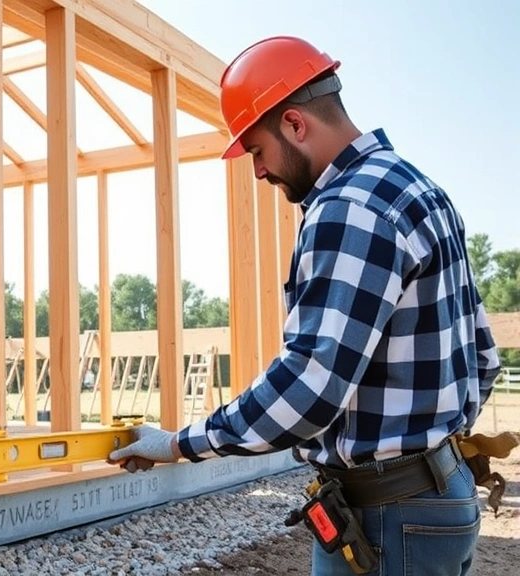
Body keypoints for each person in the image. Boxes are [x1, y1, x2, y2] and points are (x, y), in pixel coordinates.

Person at [107, 36, 503, 576]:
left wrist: (178, 444)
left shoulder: (349, 208)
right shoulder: (418, 189)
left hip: (387, 513)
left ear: (295, 124)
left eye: (256, 151)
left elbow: (310, 388)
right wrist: (432, 451)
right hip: (434, 495)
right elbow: (482, 357)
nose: (259, 172)